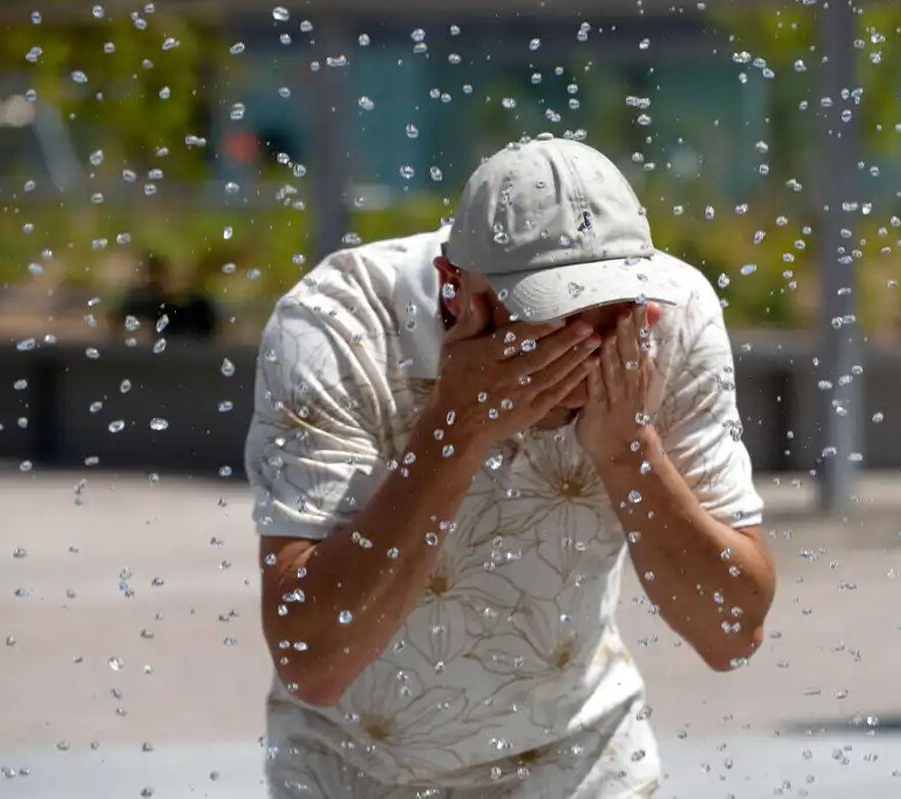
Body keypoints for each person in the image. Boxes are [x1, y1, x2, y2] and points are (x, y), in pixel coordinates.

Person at [244, 135, 776, 797]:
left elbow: (733, 633)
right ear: (454, 289)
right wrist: (454, 429)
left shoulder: (669, 316)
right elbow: (311, 659)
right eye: (551, 315)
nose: (586, 345)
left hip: (576, 752)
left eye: (609, 310)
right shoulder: (337, 325)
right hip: (355, 763)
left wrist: (629, 453)